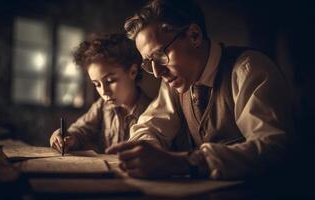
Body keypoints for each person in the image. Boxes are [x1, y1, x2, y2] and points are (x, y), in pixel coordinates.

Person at [106, 0, 294, 180]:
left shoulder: (248, 69)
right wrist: (143, 151)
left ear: (194, 35)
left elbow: (273, 148)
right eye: (149, 62)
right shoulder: (174, 82)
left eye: (160, 55)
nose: (156, 72)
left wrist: (185, 163)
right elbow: (149, 126)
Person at [50, 33, 152, 153]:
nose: (104, 92)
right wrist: (68, 137)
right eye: (97, 84)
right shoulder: (102, 106)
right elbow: (81, 130)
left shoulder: (152, 111)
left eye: (110, 81)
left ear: (133, 72)